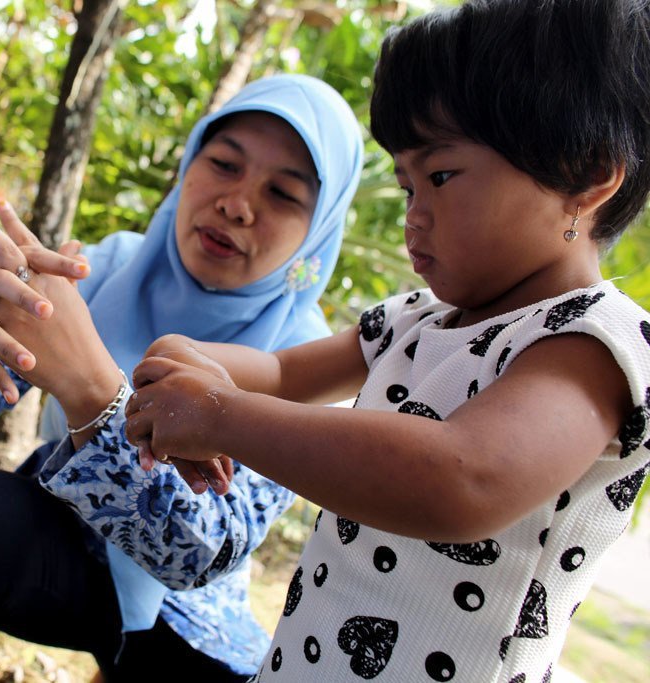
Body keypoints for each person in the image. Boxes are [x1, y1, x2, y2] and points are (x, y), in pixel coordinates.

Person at [124, 1, 650, 680]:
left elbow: (463, 477)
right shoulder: (415, 318)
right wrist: (185, 362)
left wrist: (220, 417)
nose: (414, 215)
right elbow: (280, 374)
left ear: (584, 175)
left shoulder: (593, 342)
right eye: (406, 185)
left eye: (440, 177)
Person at [0, 74, 364, 682]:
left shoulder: (307, 360)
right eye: (224, 164)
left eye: (282, 194)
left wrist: (95, 392)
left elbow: (201, 552)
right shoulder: (104, 268)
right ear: (188, 166)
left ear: (319, 229)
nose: (236, 204)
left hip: (182, 611)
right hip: (57, 537)